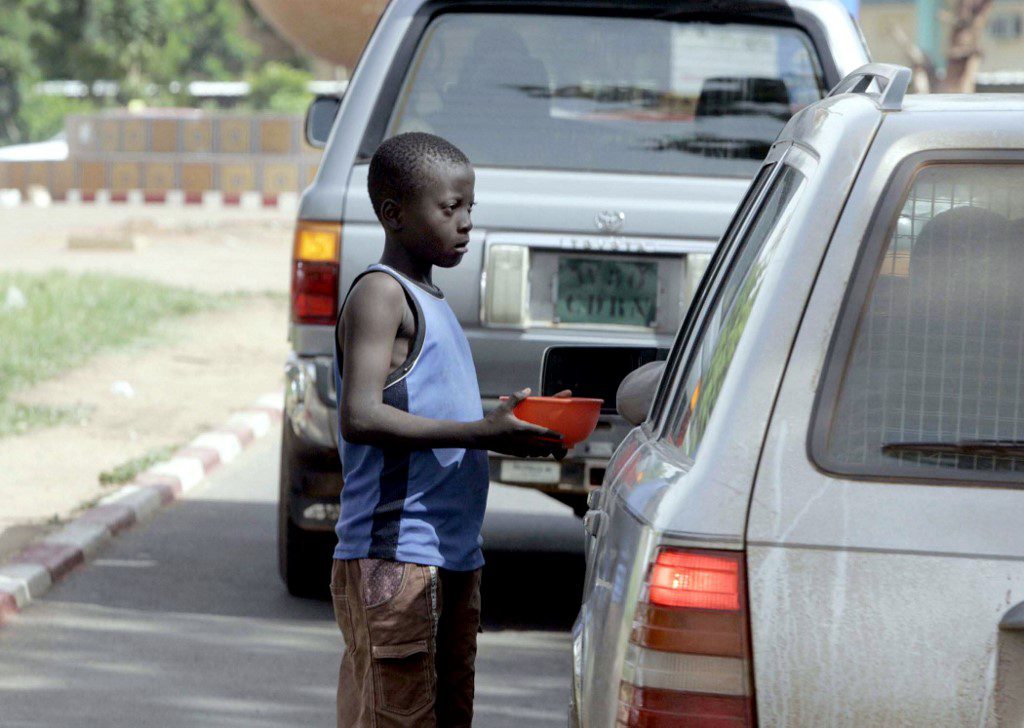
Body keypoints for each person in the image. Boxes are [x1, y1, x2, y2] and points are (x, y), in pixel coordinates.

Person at [330, 132, 566, 728]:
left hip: (452, 555)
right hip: (397, 552)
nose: (464, 223)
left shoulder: (434, 299)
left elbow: (429, 400)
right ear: (394, 214)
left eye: (470, 208)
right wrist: (480, 433)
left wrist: (512, 418)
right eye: (449, 208)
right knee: (397, 716)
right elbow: (360, 415)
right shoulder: (382, 294)